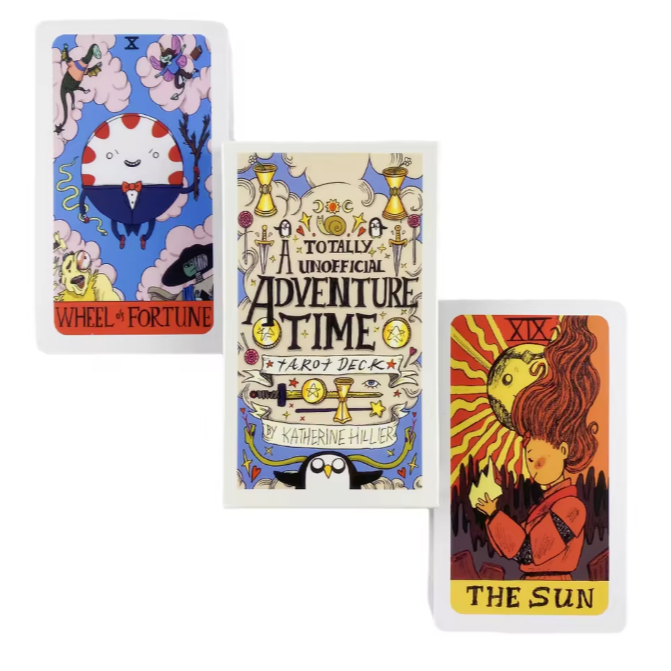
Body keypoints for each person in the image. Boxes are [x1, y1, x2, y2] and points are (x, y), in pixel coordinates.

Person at [476, 316, 600, 580]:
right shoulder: (548, 504)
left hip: (554, 587)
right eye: (529, 461)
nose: (533, 469)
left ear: (563, 450)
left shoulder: (571, 507)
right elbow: (514, 549)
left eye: (538, 460)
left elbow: (529, 552)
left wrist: (494, 514)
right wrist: (492, 513)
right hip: (534, 586)